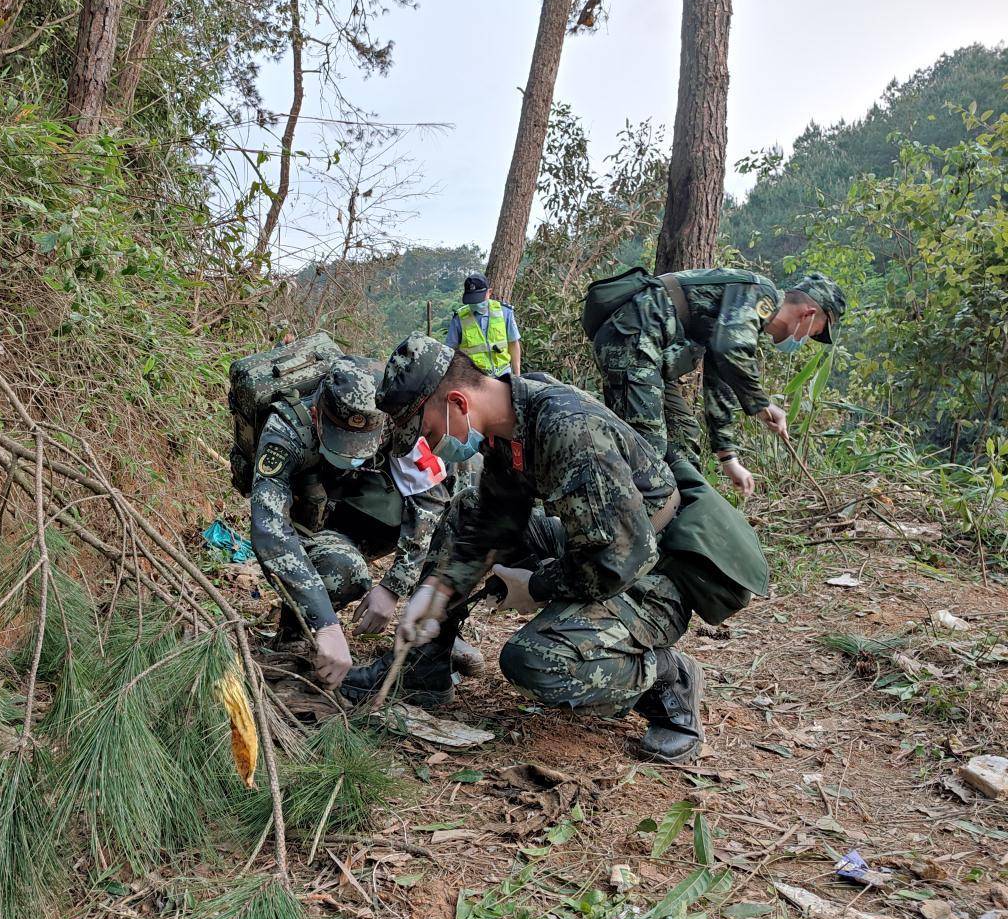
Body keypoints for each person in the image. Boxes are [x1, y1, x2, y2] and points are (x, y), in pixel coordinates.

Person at [342, 334, 768, 764]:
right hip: (600, 542)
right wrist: (439, 589)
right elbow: (495, 518)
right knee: (465, 511)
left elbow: (618, 561)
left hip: (656, 571)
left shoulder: (567, 428)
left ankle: (668, 680)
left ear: (457, 403)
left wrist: (537, 585)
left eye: (428, 431)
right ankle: (424, 669)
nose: (430, 446)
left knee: (536, 661)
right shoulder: (509, 423)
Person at [250, 355, 481, 688]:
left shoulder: (392, 416)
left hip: (360, 509)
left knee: (461, 495)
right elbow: (269, 529)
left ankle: (431, 637)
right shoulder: (285, 430)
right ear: (318, 416)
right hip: (310, 523)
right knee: (340, 571)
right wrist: (326, 623)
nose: (352, 454)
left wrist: (393, 587)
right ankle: (296, 628)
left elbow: (429, 501)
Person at [586, 268, 845, 496]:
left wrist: (728, 457)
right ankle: (619, 527)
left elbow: (720, 379)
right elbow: (729, 349)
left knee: (684, 437)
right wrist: (762, 404)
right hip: (632, 339)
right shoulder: (760, 293)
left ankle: (680, 521)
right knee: (647, 449)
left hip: (649, 349)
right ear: (809, 314)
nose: (808, 338)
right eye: (817, 332)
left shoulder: (745, 318)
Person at [446, 273, 522, 379]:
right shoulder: (459, 318)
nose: (476, 303)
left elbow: (513, 344)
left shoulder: (504, 312)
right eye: (473, 300)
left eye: (479, 299)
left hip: (503, 375)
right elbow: (450, 350)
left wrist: (517, 375)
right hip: (473, 379)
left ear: (489, 292)